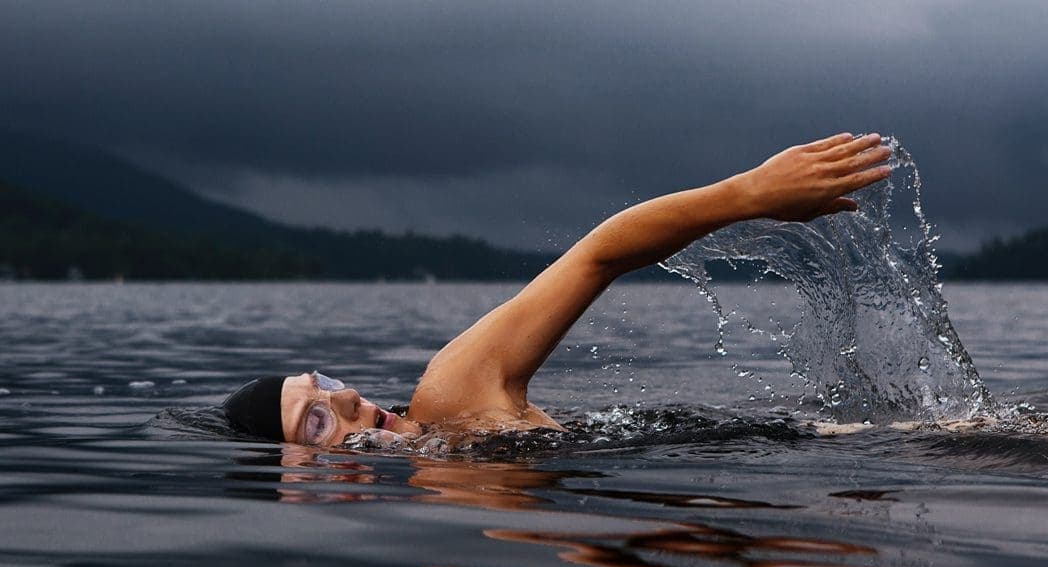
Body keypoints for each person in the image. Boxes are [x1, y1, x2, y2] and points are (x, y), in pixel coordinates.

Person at [221, 133, 894, 446]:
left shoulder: (451, 397)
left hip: (856, 446)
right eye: (316, 420)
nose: (346, 397)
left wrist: (749, 194)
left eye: (326, 383)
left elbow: (597, 256)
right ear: (296, 482)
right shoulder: (444, 521)